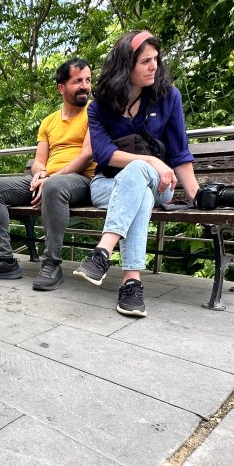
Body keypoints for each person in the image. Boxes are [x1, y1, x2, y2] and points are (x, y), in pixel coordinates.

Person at [72, 30, 199, 317]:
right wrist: (150, 160)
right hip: (107, 185)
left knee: (140, 173)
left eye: (155, 59)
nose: (154, 66)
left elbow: (179, 153)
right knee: (138, 183)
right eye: (145, 61)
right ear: (125, 66)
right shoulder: (100, 107)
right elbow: (104, 155)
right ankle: (131, 284)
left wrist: (197, 195)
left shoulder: (169, 97)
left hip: (160, 185)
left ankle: (102, 252)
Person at [0, 58, 96, 290]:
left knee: (53, 187)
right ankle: (5, 260)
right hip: (49, 181)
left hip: (81, 182)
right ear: (61, 87)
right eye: (78, 81)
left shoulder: (94, 112)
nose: (85, 86)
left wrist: (50, 179)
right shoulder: (49, 121)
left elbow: (87, 154)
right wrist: (40, 174)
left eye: (87, 80)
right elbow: (39, 161)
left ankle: (52, 264)